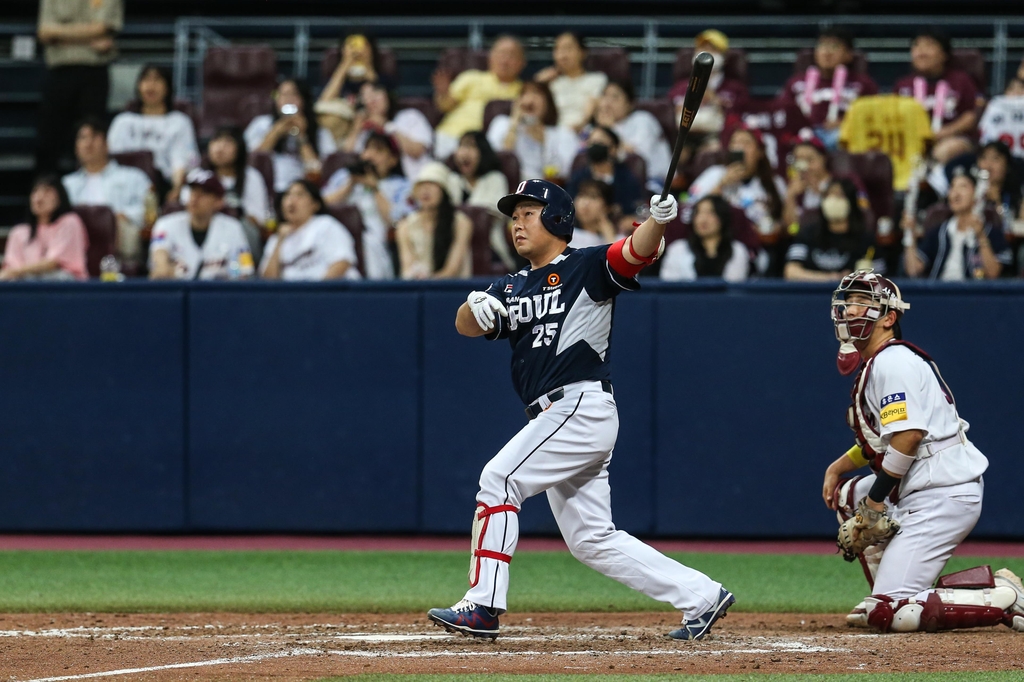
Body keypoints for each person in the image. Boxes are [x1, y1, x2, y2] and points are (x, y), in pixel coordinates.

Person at [425, 181, 735, 642]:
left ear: (557, 218)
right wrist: (475, 304)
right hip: (558, 415)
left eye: (529, 213)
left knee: (500, 478)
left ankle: (483, 604)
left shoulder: (585, 265)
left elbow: (635, 252)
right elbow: (464, 326)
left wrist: (658, 221)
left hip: (578, 404)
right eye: (514, 216)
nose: (518, 223)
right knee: (591, 539)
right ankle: (701, 595)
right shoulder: (511, 284)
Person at [821, 269, 1024, 634]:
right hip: (922, 485)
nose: (851, 310)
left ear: (889, 317)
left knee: (894, 613)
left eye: (863, 302)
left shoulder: (892, 361)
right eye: (848, 302)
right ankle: (889, 591)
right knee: (848, 494)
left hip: (942, 492)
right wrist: (839, 467)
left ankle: (1003, 594)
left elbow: (909, 437)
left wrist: (876, 502)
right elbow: (883, 441)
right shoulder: (882, 361)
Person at [35, 0, 123, 175]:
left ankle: (90, 193)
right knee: (48, 142)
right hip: (59, 72)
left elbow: (102, 28)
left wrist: (60, 35)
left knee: (91, 139)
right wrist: (90, 36)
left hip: (94, 73)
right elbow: (45, 32)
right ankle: (45, 193)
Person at [686, 126, 786, 273]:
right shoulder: (714, 175)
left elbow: (786, 224)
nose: (739, 148)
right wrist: (721, 185)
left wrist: (776, 226)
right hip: (716, 246)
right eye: (735, 143)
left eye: (746, 144)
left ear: (759, 151)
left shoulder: (773, 184)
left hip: (758, 248)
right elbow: (688, 211)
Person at [62, 116, 153, 269]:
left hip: (117, 234)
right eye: (82, 138)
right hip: (76, 239)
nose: (88, 143)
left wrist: (121, 216)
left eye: (94, 137)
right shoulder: (66, 184)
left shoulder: (134, 177)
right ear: (76, 147)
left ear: (107, 144)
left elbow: (149, 210)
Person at [322, 131, 412, 280]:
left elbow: (396, 221)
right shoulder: (343, 177)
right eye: (367, 149)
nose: (370, 155)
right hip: (336, 240)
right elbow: (317, 205)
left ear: (393, 160)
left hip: (377, 244)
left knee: (368, 242)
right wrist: (349, 185)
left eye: (378, 151)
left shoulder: (401, 186)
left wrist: (375, 187)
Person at [107, 65, 200, 204]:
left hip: (163, 185)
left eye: (157, 80)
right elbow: (113, 156)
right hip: (125, 186)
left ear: (167, 87)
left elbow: (181, 157)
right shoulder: (123, 121)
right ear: (138, 86)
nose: (151, 85)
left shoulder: (179, 121)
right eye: (146, 80)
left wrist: (176, 189)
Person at [779, 27, 878, 150]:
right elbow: (782, 113)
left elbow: (873, 118)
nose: (827, 52)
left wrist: (846, 123)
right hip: (803, 136)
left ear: (849, 55)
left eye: (835, 47)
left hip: (843, 138)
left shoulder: (863, 84)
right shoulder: (796, 83)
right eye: (822, 46)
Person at [903, 169, 1011, 280]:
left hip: (973, 294)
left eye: (963, 187)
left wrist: (980, 236)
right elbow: (913, 270)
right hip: (938, 292)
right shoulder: (939, 232)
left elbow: (993, 274)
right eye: (952, 187)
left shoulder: (991, 232)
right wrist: (910, 234)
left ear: (977, 194)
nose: (955, 193)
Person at [894, 28, 981, 164]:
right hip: (910, 140)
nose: (921, 52)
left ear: (944, 54)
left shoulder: (961, 81)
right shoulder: (903, 85)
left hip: (951, 138)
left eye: (929, 45)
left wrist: (941, 134)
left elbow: (970, 117)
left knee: (945, 150)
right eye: (916, 46)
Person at [148, 169, 254, 281]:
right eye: (193, 191)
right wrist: (163, 266)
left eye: (204, 193)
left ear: (218, 201)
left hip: (219, 294)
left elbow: (245, 270)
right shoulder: (165, 224)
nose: (195, 197)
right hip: (178, 294)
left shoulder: (233, 228)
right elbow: (159, 263)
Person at [433, 36, 526, 160]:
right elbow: (444, 106)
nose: (505, 60)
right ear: (490, 57)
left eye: (511, 55)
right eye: (501, 53)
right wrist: (443, 93)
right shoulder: (471, 78)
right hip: (452, 136)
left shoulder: (524, 91)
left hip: (488, 148)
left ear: (522, 62)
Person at [667, 29, 748, 166]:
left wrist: (715, 101)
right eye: (702, 48)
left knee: (710, 155)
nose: (706, 52)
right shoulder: (680, 87)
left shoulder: (735, 89)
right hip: (683, 135)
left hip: (717, 137)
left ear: (724, 56)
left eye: (713, 49)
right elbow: (667, 115)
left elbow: (740, 119)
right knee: (675, 153)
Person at [244, 78, 336, 193]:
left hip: (302, 191)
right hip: (264, 187)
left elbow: (318, 172)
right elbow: (251, 161)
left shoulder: (320, 132)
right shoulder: (261, 124)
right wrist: (275, 133)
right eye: (282, 95)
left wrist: (302, 136)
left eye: (293, 94)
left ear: (304, 99)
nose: (288, 100)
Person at [260, 180, 360, 281]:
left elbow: (341, 263)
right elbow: (268, 280)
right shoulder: (276, 239)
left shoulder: (326, 225)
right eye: (288, 195)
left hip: (331, 292)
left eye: (299, 195)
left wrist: (318, 293)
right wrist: (280, 241)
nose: (291, 200)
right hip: (294, 295)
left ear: (315, 205)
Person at [785, 177, 881, 281]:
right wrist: (831, 278)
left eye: (839, 196)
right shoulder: (808, 234)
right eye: (827, 196)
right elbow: (791, 271)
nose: (832, 200)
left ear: (851, 202)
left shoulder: (865, 239)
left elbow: (879, 277)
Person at [487, 80, 579, 185]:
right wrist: (513, 126)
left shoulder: (563, 133)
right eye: (524, 94)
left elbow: (564, 173)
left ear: (548, 103)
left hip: (543, 188)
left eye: (536, 94)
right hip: (507, 187)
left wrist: (544, 142)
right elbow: (492, 163)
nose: (529, 100)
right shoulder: (501, 123)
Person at [338, 82, 434, 180]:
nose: (372, 100)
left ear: (387, 94)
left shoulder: (409, 117)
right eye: (366, 96)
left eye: (376, 93)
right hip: (376, 185)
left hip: (415, 181)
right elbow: (346, 156)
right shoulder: (365, 130)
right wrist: (356, 128)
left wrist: (386, 126)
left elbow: (417, 151)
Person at [1, 176, 88, 281]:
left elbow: (53, 263)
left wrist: (17, 272)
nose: (39, 198)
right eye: (35, 192)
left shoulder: (70, 222)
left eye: (47, 192)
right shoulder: (18, 232)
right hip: (27, 284)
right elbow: (11, 268)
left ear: (60, 198)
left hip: (64, 286)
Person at [396, 161, 473, 279]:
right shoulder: (405, 226)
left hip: (453, 289)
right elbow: (407, 268)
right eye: (421, 185)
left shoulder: (461, 223)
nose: (425, 190)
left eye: (432, 184)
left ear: (445, 190)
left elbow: (451, 270)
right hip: (418, 288)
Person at [591, 80, 672, 192]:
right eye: (605, 96)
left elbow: (639, 158)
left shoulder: (642, 120)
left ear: (629, 103)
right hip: (611, 181)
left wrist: (610, 130)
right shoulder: (598, 125)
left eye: (615, 97)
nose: (607, 103)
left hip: (651, 182)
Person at [452, 131, 513, 270]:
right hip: (454, 248)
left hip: (489, 246)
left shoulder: (495, 179)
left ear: (483, 152)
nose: (464, 152)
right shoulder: (451, 181)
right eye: (461, 146)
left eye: (471, 147)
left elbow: (495, 213)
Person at [565, 125, 644, 224]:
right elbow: (569, 206)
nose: (595, 146)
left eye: (600, 142)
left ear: (613, 149)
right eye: (592, 143)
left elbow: (635, 208)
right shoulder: (578, 177)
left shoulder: (626, 178)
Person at [661, 195, 749, 281]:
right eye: (698, 213)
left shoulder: (738, 250)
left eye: (710, 213)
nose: (703, 219)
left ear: (722, 217)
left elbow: (736, 287)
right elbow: (670, 285)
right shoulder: (677, 249)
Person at [533, 32, 608, 132]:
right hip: (553, 134)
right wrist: (538, 82)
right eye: (557, 49)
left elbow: (594, 112)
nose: (562, 55)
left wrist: (580, 126)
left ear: (582, 52)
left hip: (586, 132)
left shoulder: (597, 79)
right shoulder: (550, 83)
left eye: (568, 48)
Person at [318, 33, 390, 104]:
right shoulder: (334, 81)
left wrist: (367, 65)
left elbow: (385, 105)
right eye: (351, 46)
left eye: (364, 46)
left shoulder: (384, 80)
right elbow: (323, 103)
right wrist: (345, 63)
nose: (357, 51)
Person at [782, 130, 833, 229]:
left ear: (823, 158)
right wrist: (790, 197)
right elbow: (791, 228)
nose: (805, 167)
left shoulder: (842, 181)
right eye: (799, 160)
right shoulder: (798, 189)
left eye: (810, 160)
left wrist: (822, 193)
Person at [979, 79, 1024, 160]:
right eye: (1012, 89)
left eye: (1021, 88)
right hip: (1001, 160)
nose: (1016, 92)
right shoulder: (995, 105)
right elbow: (985, 133)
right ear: (1005, 92)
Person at [569, 180, 618, 249]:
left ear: (607, 208)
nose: (585, 203)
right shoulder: (565, 236)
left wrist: (609, 235)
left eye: (593, 197)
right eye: (581, 195)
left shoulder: (619, 239)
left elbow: (617, 257)